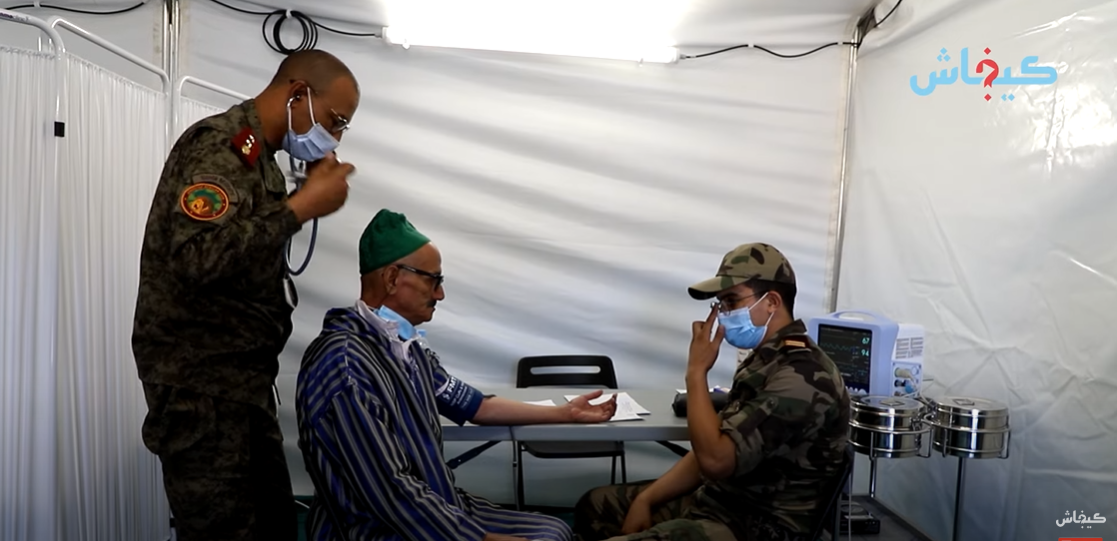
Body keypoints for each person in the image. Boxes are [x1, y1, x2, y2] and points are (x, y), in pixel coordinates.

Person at [132, 49, 360, 541]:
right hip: (202, 387)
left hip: (240, 384)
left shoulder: (259, 159)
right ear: (298, 94)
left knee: (274, 526)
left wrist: (297, 201)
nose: (335, 138)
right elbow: (196, 257)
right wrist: (299, 208)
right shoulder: (221, 146)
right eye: (335, 121)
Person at [296, 208, 619, 541]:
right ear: (392, 278)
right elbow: (389, 489)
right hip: (377, 529)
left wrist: (565, 413)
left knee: (556, 530)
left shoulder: (405, 350)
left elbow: (477, 406)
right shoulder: (346, 366)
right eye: (433, 280)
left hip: (435, 506)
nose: (440, 294)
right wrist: (478, 538)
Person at [573, 243, 851, 541]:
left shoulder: (802, 376)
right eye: (720, 304)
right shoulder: (765, 360)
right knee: (596, 506)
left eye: (731, 301)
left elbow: (715, 461)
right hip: (722, 501)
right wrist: (647, 499)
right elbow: (711, 448)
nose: (723, 314)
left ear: (771, 302)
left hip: (758, 523)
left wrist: (696, 372)